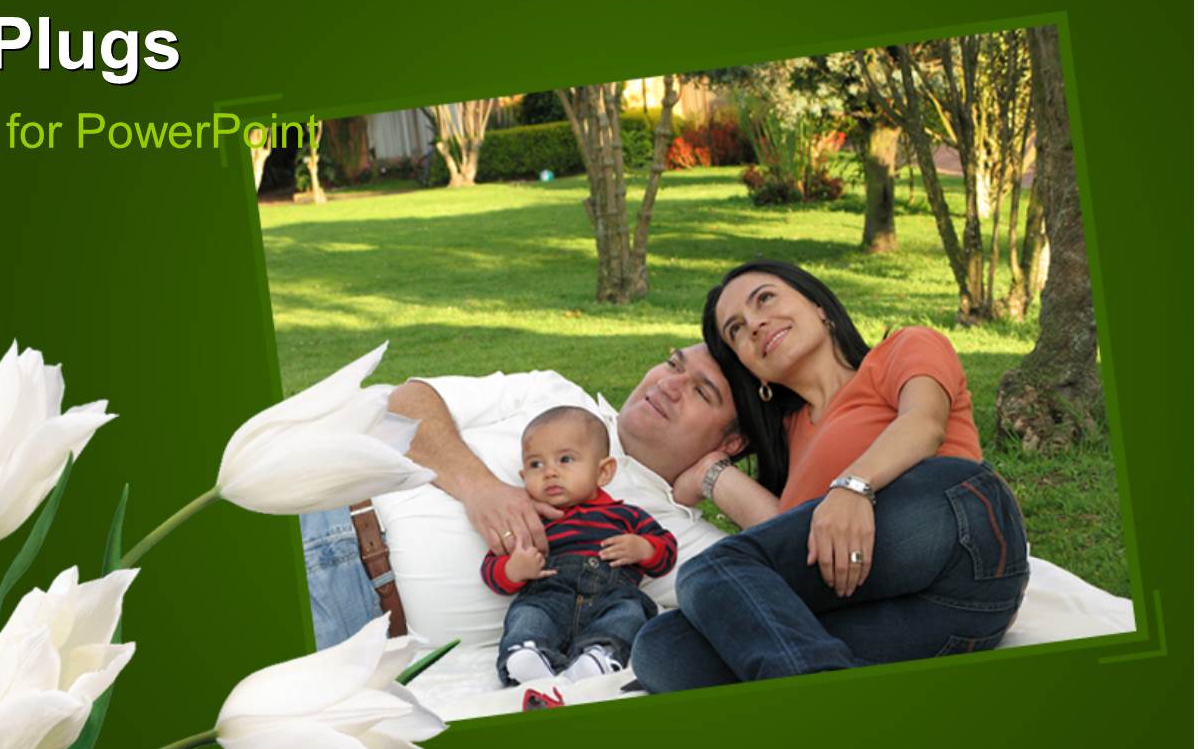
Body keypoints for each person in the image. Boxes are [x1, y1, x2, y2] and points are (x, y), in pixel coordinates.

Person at [632, 259, 1030, 691]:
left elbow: (925, 422)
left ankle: (816, 704)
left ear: (818, 305)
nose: (755, 324)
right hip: (932, 617)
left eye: (765, 299)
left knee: (708, 570)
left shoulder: (902, 349)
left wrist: (853, 488)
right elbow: (793, 543)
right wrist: (713, 472)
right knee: (664, 647)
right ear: (751, 368)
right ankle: (826, 693)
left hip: (962, 530)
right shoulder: (789, 439)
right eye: (736, 329)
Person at [301, 343, 746, 648]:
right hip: (326, 520)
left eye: (700, 391)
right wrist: (480, 489)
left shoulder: (679, 537)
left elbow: (782, 556)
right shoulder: (557, 396)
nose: (669, 384)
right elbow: (404, 404)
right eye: (673, 364)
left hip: (362, 638)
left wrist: (715, 477)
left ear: (731, 442)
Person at [484, 406, 677, 685]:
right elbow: (491, 566)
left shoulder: (626, 515)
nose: (550, 472)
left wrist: (644, 549)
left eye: (565, 459)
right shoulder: (531, 523)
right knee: (526, 615)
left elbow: (667, 550)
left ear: (603, 472)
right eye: (536, 464)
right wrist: (514, 569)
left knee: (629, 614)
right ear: (523, 476)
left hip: (611, 597)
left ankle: (599, 655)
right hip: (549, 597)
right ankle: (527, 655)